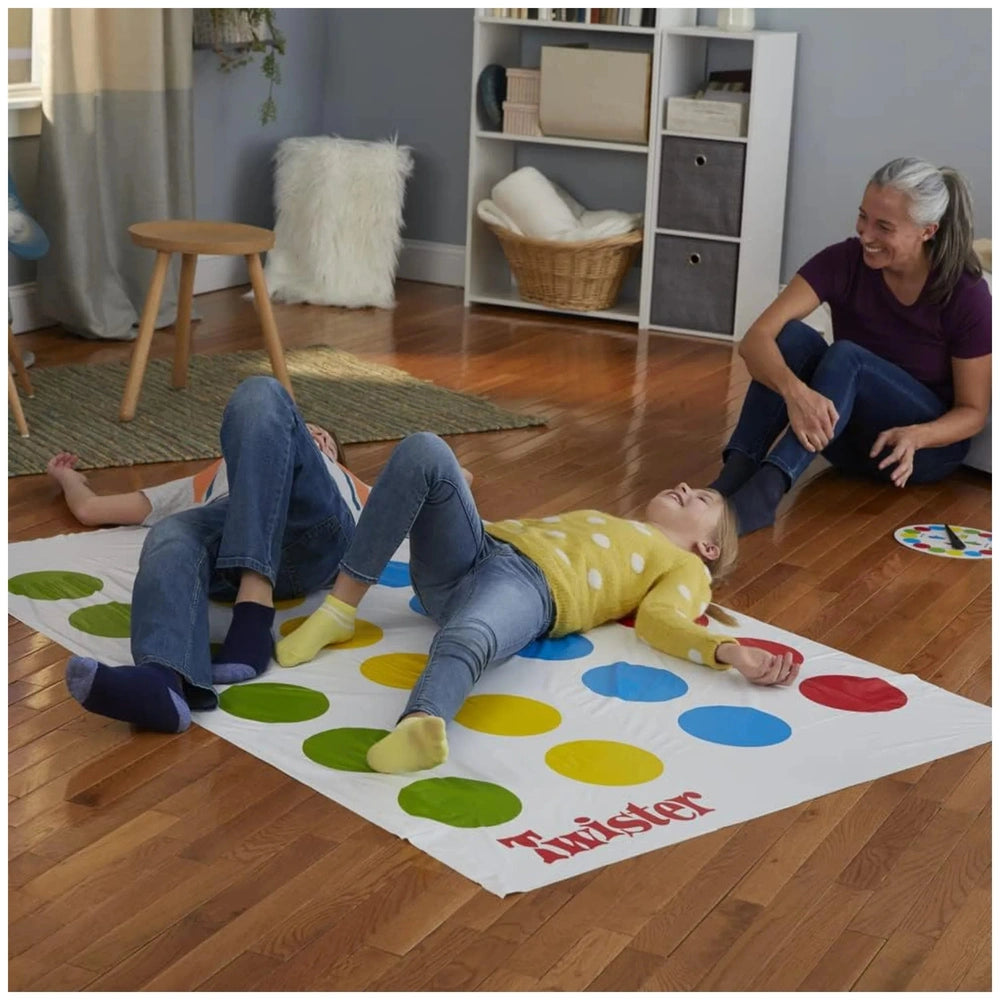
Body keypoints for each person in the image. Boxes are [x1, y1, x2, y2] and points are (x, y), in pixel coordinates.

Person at [275, 431, 800, 775]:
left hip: (531, 587)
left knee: (468, 636)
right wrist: (457, 497)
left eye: (702, 499)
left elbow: (662, 622)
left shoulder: (685, 566)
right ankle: (339, 611)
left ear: (708, 547)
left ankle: (420, 722)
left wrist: (729, 651)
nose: (687, 486)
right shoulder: (624, 526)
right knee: (424, 448)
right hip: (478, 548)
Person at [60, 376, 363, 734]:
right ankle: (162, 678)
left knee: (260, 391)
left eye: (316, 436)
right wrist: (66, 477)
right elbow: (91, 509)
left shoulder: (344, 480)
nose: (311, 437)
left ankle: (254, 608)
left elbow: (419, 500)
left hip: (317, 537)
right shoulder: (214, 477)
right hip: (228, 550)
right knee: (170, 533)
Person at [710, 157, 991, 535]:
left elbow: (973, 412)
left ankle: (764, 492)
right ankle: (733, 478)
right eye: (863, 217)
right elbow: (756, 339)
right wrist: (795, 393)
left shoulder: (966, 294)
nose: (866, 234)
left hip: (915, 454)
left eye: (884, 227)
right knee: (791, 337)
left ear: (928, 231)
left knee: (847, 356)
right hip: (842, 443)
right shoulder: (844, 261)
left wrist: (917, 435)